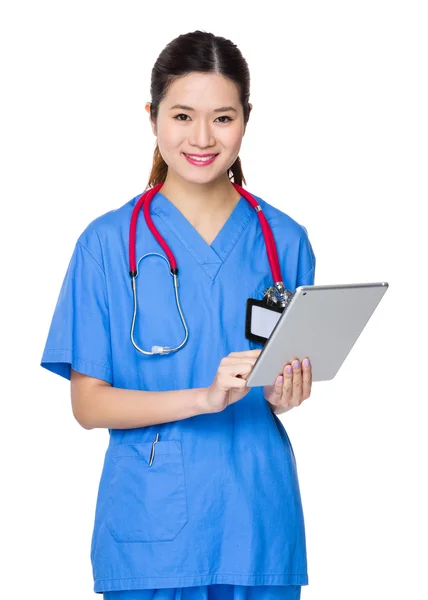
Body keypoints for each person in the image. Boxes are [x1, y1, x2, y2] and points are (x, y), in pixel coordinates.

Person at [40, 30, 316, 600]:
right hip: (149, 529)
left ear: (246, 119)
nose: (201, 137)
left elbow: (276, 375)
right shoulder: (106, 244)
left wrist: (285, 392)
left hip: (259, 524)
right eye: (183, 115)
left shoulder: (282, 241)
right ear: (153, 116)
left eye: (222, 118)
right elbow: (87, 405)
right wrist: (202, 398)